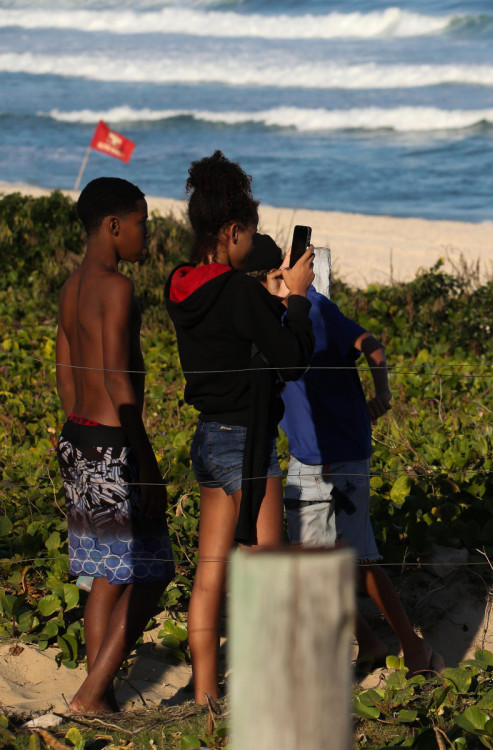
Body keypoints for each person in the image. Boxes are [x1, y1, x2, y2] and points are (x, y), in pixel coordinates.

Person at [244, 233, 442, 676]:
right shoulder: (272, 315)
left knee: (356, 562)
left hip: (344, 456)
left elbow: (371, 345)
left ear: (274, 276)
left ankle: (413, 649)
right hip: (305, 458)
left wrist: (383, 393)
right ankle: (371, 646)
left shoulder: (315, 309)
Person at [164, 151, 315, 705]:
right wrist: (295, 297)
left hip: (207, 438)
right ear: (232, 231)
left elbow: (235, 331)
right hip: (245, 443)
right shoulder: (238, 293)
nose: (254, 243)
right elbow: (292, 359)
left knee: (210, 573)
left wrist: (267, 297)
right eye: (250, 234)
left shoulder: (180, 284)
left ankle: (204, 694)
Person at [54, 177, 174, 713]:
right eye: (142, 223)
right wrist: (144, 460)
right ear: (113, 225)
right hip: (112, 445)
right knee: (145, 573)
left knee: (110, 572)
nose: (146, 235)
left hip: (78, 437)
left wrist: (77, 433)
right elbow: (119, 378)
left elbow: (64, 370)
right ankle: (90, 694)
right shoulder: (116, 288)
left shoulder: (72, 286)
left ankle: (96, 692)